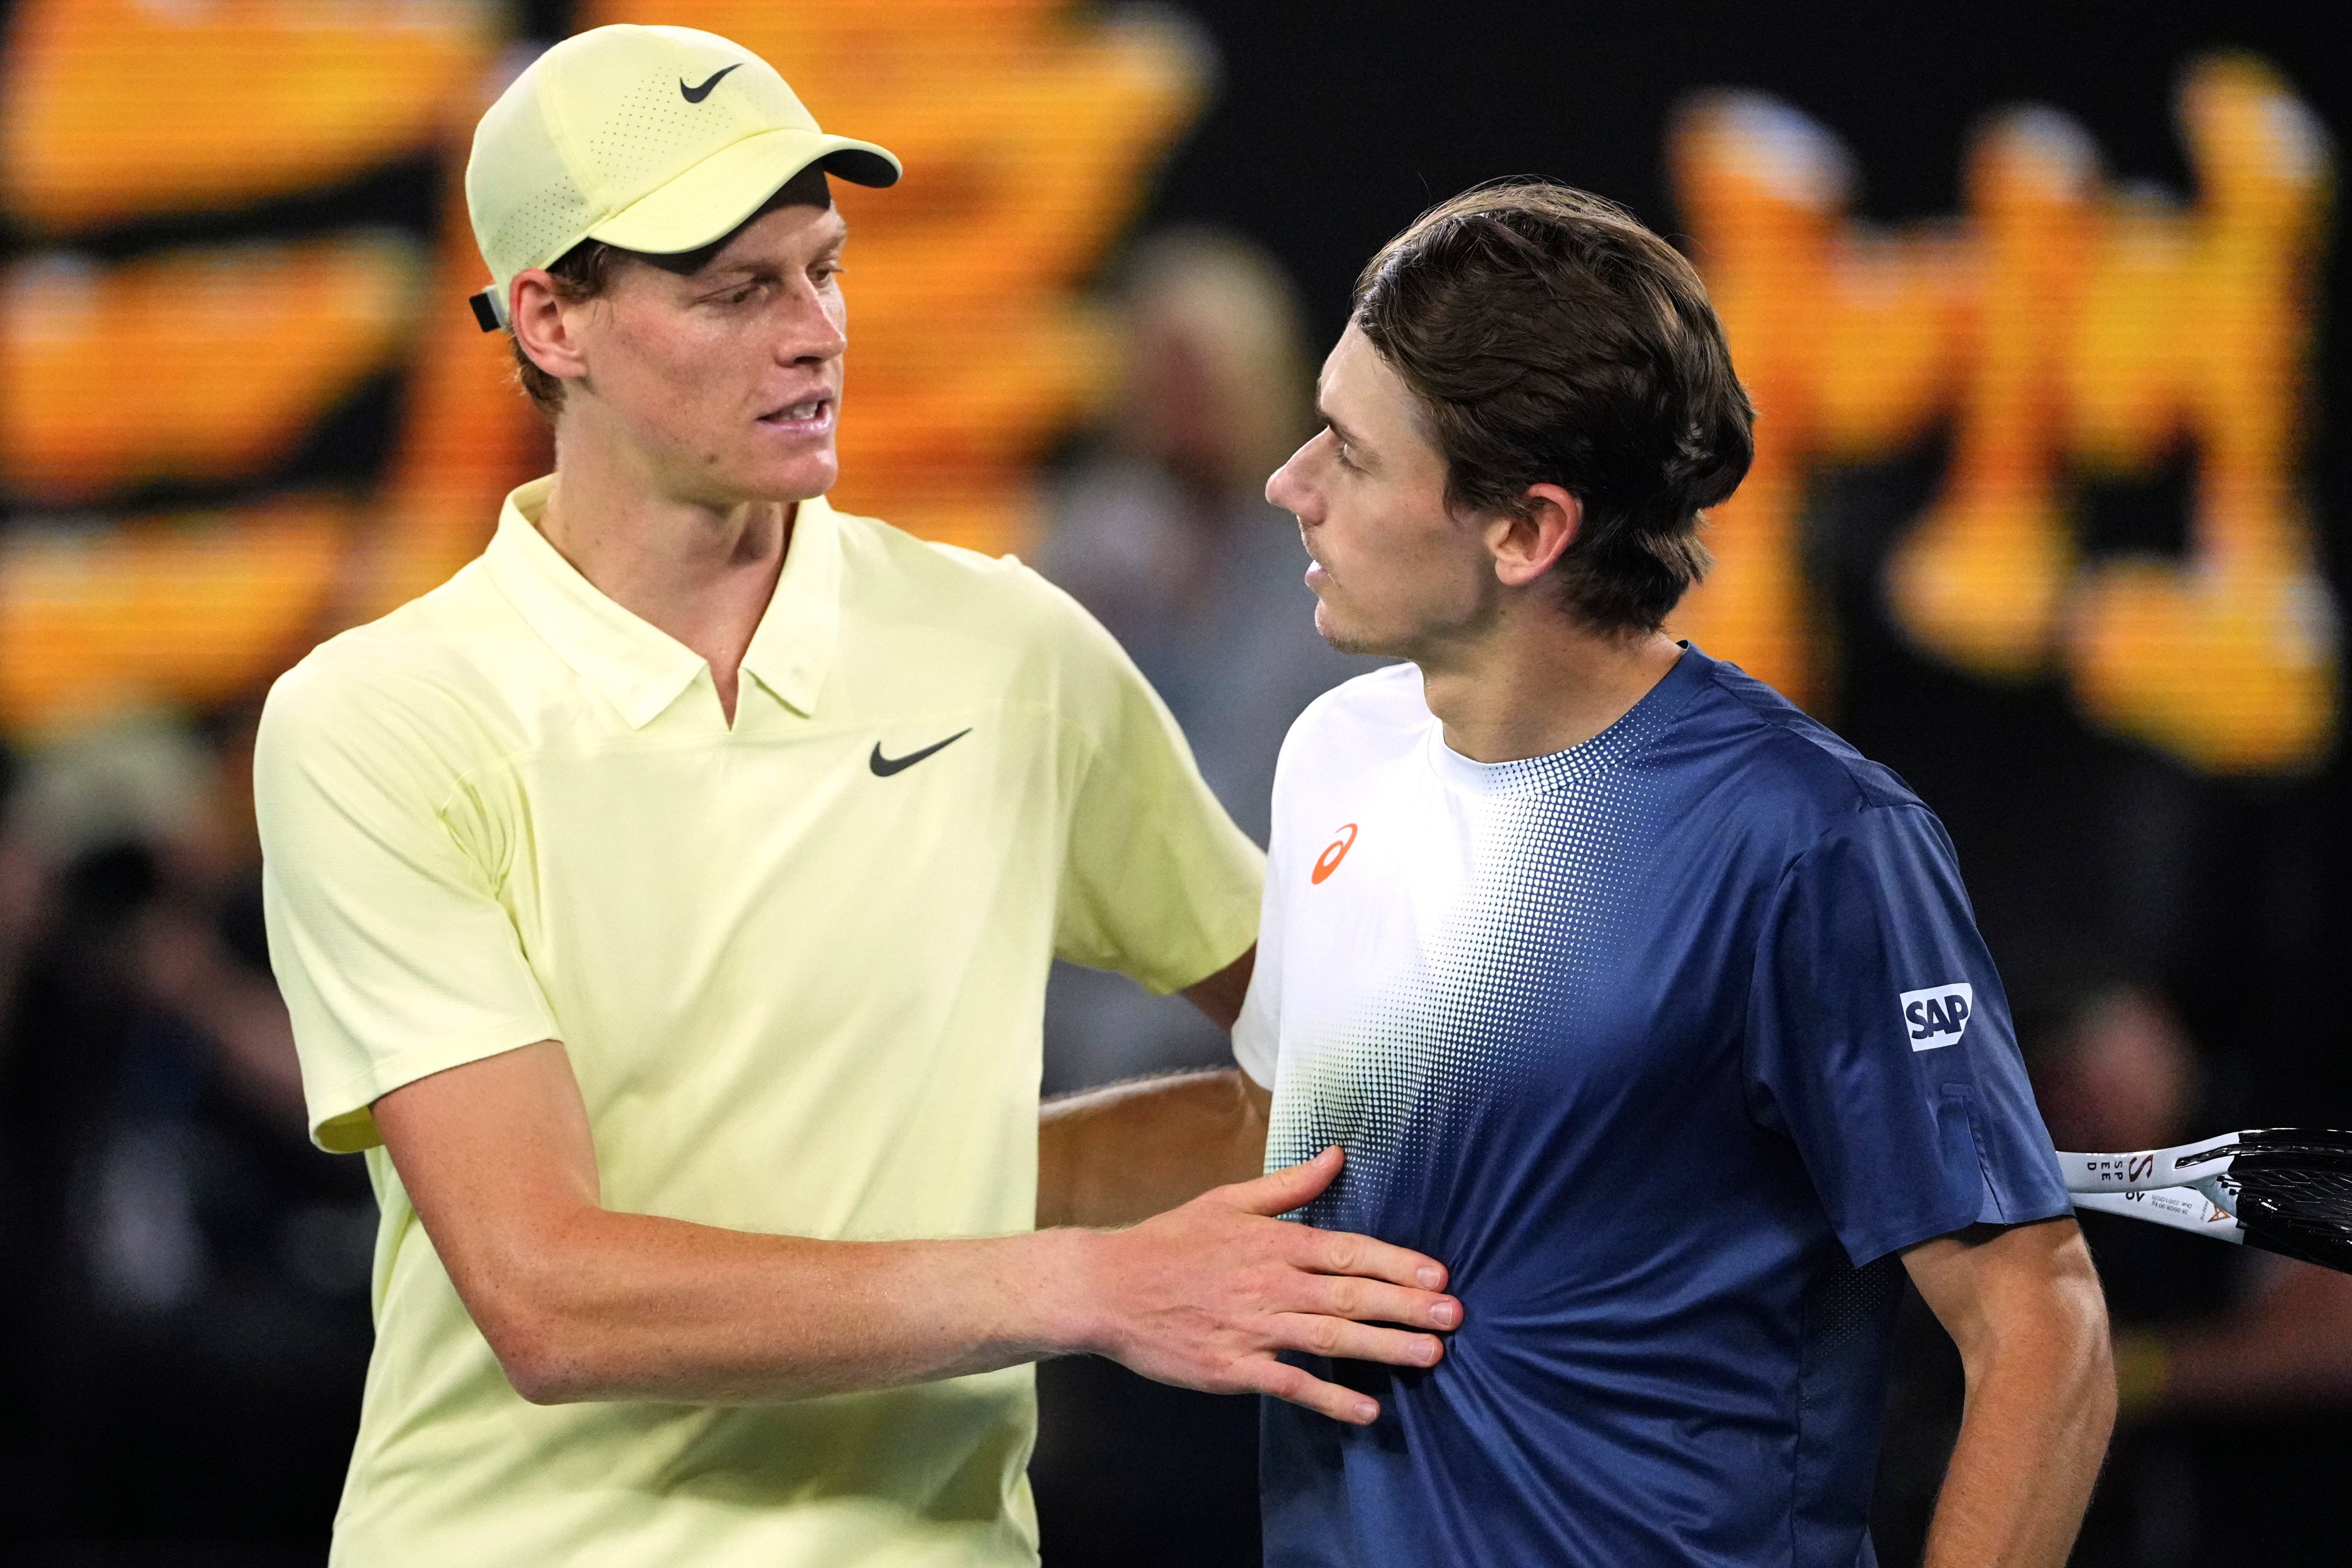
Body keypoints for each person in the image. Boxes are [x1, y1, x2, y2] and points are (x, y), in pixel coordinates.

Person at [252, 24, 1457, 1566]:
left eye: (822, 268)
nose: (813, 330)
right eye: (735, 291)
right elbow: (551, 1292)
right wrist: (1094, 1281)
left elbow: (1325, 1064)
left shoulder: (1009, 649)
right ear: (551, 318)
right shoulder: (377, 722)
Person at [1236, 181, 2115, 1567]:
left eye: (1347, 452)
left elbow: (2038, 1330)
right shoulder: (1331, 756)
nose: (1288, 483)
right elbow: (1293, 1141)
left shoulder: (1810, 843)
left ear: (1524, 530)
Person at [1038, 228, 1379, 1090]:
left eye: (1204, 366)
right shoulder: (1080, 550)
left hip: (1270, 965)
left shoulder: (1345, 563)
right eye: (1164, 367)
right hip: (1080, 989)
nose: (1184, 395)